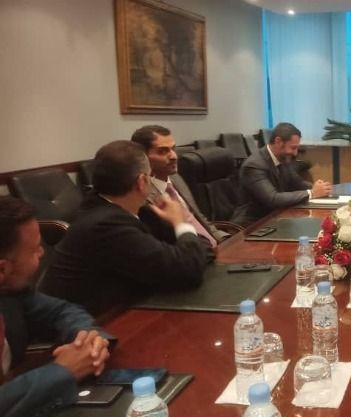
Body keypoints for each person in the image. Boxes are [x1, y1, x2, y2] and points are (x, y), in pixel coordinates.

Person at [40, 141, 207, 316]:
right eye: (150, 175)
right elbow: (188, 271)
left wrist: (184, 241)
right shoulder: (106, 225)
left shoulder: (129, 210)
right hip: (91, 324)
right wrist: (181, 223)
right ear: (142, 181)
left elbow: (197, 252)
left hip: (124, 309)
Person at [0, 196, 112, 417]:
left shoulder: (11, 290)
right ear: (2, 269)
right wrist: (62, 371)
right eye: (35, 249)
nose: (42, 253)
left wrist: (87, 340)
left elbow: (61, 311)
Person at [131, 125, 227, 249]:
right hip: (193, 253)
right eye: (162, 151)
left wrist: (226, 239)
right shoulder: (142, 196)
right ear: (143, 156)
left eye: (173, 149)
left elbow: (197, 217)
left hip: (217, 247)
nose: (174, 156)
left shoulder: (176, 178)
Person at [233, 122, 333, 224]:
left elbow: (297, 183)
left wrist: (318, 188)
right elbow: (273, 199)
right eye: (293, 148)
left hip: (276, 217)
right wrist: (312, 193)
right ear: (278, 141)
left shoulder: (282, 159)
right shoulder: (254, 166)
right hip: (252, 224)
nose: (295, 153)